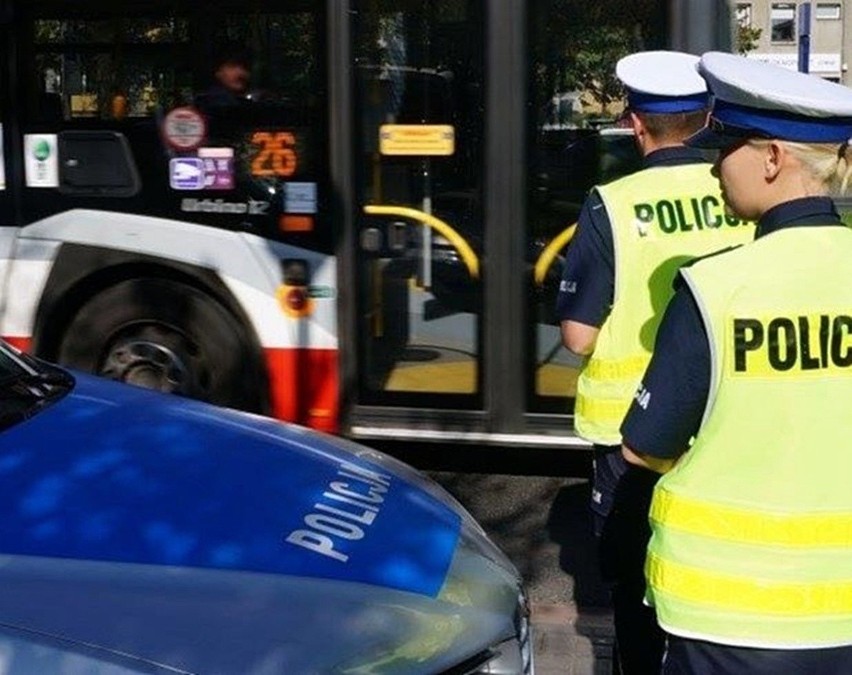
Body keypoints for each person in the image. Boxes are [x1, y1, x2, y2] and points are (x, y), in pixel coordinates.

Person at [621, 51, 852, 674]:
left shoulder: (715, 288)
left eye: (726, 148)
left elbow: (646, 448)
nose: (715, 166)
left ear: (773, 158)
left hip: (729, 621)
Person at [556, 51, 754, 674]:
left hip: (632, 436)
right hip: (725, 421)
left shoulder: (611, 205)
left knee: (636, 592)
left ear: (638, 126)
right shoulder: (743, 192)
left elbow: (579, 338)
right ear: (704, 122)